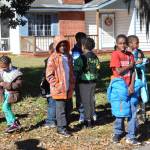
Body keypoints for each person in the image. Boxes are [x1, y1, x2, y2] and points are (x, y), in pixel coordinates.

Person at [108, 34, 141, 145]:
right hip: (119, 88)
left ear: (127, 44)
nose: (122, 45)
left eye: (124, 43)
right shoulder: (115, 54)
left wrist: (131, 85)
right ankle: (118, 132)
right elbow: (118, 71)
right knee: (120, 111)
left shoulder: (130, 55)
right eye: (120, 43)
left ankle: (131, 136)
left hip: (130, 87)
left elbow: (133, 72)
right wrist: (130, 65)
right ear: (117, 44)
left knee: (132, 111)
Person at [46, 36, 75, 137]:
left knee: (68, 108)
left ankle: (65, 125)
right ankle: (61, 128)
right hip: (59, 89)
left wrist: (72, 81)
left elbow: (71, 71)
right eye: (60, 45)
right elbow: (49, 75)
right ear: (56, 46)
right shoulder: (53, 58)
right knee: (60, 109)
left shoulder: (69, 57)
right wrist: (56, 85)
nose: (63, 47)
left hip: (68, 88)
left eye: (64, 45)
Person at [74, 37, 100, 128]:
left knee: (85, 102)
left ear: (83, 46)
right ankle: (92, 118)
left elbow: (76, 70)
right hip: (93, 82)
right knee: (91, 100)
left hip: (84, 82)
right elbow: (98, 68)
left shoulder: (81, 58)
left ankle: (88, 122)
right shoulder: (95, 57)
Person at [127, 35, 149, 121]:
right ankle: (132, 114)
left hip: (140, 76)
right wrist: (135, 62)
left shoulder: (139, 52)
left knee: (142, 95)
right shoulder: (127, 53)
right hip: (132, 79)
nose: (138, 44)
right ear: (130, 44)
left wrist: (143, 61)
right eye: (137, 43)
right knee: (133, 96)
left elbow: (145, 63)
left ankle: (142, 114)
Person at [0, 55, 23, 133]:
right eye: (1, 67)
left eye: (4, 67)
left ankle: (14, 123)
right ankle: (10, 123)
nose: (2, 69)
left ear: (9, 64)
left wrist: (5, 84)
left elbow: (18, 85)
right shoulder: (2, 71)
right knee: (5, 108)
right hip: (5, 93)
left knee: (5, 107)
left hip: (13, 94)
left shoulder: (16, 73)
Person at [40, 43, 56, 128]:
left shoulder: (50, 59)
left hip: (51, 85)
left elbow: (48, 74)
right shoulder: (62, 58)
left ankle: (51, 121)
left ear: (50, 51)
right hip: (58, 85)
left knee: (52, 103)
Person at [72, 32, 87, 123]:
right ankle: (81, 113)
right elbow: (78, 63)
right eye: (83, 39)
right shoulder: (75, 50)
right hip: (78, 76)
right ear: (77, 40)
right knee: (79, 95)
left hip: (87, 76)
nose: (85, 41)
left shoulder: (86, 49)